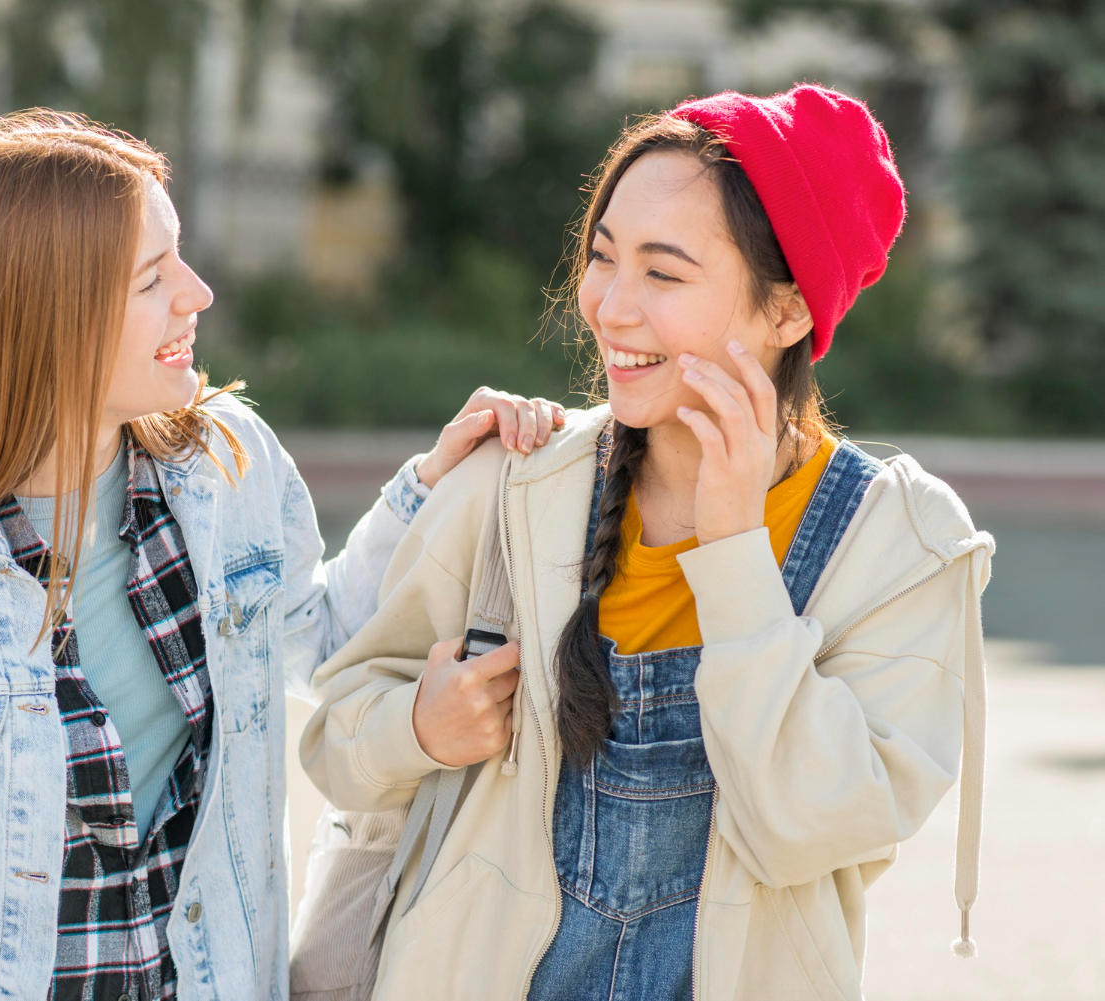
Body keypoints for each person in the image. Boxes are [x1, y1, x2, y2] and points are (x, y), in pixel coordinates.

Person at [0, 108, 564, 1001]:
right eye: (151, 278)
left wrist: (430, 485)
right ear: (40, 315)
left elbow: (314, 638)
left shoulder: (224, 468)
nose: (197, 292)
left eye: (181, 257)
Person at [301, 84, 994, 1001]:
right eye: (602, 257)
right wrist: (417, 728)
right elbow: (333, 739)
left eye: (663, 274)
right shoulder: (513, 483)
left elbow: (811, 825)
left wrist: (738, 544)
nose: (611, 307)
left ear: (787, 313)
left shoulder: (899, 544)